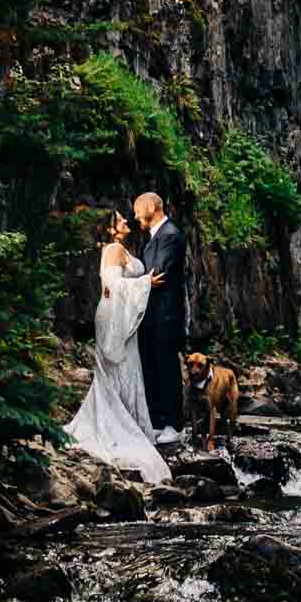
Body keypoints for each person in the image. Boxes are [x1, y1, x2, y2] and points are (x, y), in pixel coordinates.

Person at [64, 215, 170, 483]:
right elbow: (111, 286)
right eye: (120, 219)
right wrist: (146, 283)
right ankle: (119, 425)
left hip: (118, 316)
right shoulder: (112, 249)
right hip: (113, 319)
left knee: (126, 370)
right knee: (119, 368)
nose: (126, 221)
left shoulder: (120, 249)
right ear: (110, 228)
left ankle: (128, 421)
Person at [133, 190, 186, 445]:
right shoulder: (154, 238)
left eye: (137, 210)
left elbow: (159, 273)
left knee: (167, 368)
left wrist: (137, 282)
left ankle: (175, 425)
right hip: (150, 314)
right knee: (151, 367)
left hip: (165, 314)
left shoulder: (171, 235)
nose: (134, 216)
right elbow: (148, 277)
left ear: (151, 208)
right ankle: (156, 422)